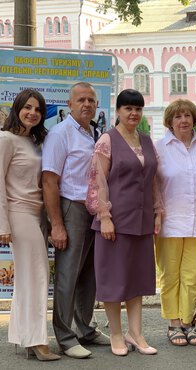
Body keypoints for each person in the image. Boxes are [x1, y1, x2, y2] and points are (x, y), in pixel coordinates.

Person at [86, 89, 161, 357]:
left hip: (141, 221)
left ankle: (136, 333)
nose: (134, 114)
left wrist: (158, 211)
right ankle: (117, 334)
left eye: (138, 109)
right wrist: (104, 216)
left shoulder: (146, 140)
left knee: (138, 280)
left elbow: (153, 179)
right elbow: (98, 181)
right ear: (118, 111)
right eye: (128, 108)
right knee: (114, 280)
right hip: (115, 222)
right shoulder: (107, 140)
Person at [42, 82, 110, 359]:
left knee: (88, 276)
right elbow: (49, 181)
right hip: (71, 209)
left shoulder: (94, 133)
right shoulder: (60, 134)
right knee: (68, 276)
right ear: (69, 105)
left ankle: (85, 329)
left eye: (91, 100)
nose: (87, 104)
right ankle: (65, 336)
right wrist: (56, 224)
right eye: (81, 100)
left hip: (93, 211)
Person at [0, 89, 60, 361]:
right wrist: (2, 225)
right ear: (17, 109)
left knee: (26, 280)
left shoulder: (35, 141)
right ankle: (37, 340)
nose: (32, 113)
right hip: (17, 213)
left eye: (37, 109)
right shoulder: (5, 139)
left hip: (36, 215)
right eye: (27, 107)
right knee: (37, 276)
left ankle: (22, 336)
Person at [155, 99, 196, 347]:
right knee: (170, 276)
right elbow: (152, 185)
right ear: (169, 121)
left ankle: (187, 323)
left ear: (194, 119)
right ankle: (173, 323)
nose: (183, 120)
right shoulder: (160, 147)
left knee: (192, 276)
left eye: (188, 115)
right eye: (178, 116)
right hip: (169, 222)